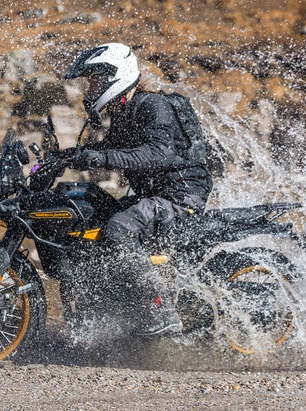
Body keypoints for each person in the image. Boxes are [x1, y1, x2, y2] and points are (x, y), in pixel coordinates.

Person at [63, 42, 213, 336]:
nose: (90, 89)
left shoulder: (152, 105)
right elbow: (111, 149)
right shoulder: (125, 111)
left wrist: (101, 157)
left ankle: (161, 310)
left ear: (115, 76)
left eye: (95, 81)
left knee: (119, 227)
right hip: (153, 196)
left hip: (179, 197)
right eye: (89, 83)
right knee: (90, 210)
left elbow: (159, 154)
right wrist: (65, 156)